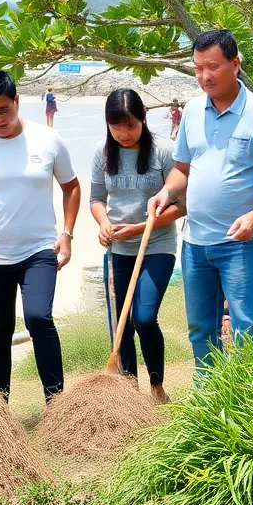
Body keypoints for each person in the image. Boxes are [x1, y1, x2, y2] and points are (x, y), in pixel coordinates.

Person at [149, 29, 253, 370]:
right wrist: (166, 191)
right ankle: (210, 406)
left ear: (235, 63)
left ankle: (246, 403)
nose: (204, 76)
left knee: (245, 330)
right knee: (201, 331)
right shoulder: (193, 111)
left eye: (212, 67)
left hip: (240, 242)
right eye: (198, 68)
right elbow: (182, 169)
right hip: (195, 242)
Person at [0, 71, 80, 401]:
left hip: (39, 249)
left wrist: (66, 234)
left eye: (3, 111)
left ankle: (56, 401)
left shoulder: (48, 140)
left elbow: (72, 187)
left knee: (39, 318)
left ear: (17, 101)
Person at [90, 89, 185, 404]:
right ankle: (130, 393)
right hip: (118, 249)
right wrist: (104, 224)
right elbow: (96, 200)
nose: (123, 134)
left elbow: (182, 205)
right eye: (116, 127)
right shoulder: (102, 154)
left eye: (130, 126)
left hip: (156, 243)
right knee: (122, 324)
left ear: (143, 120)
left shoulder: (163, 151)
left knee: (144, 318)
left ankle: (157, 387)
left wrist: (142, 227)